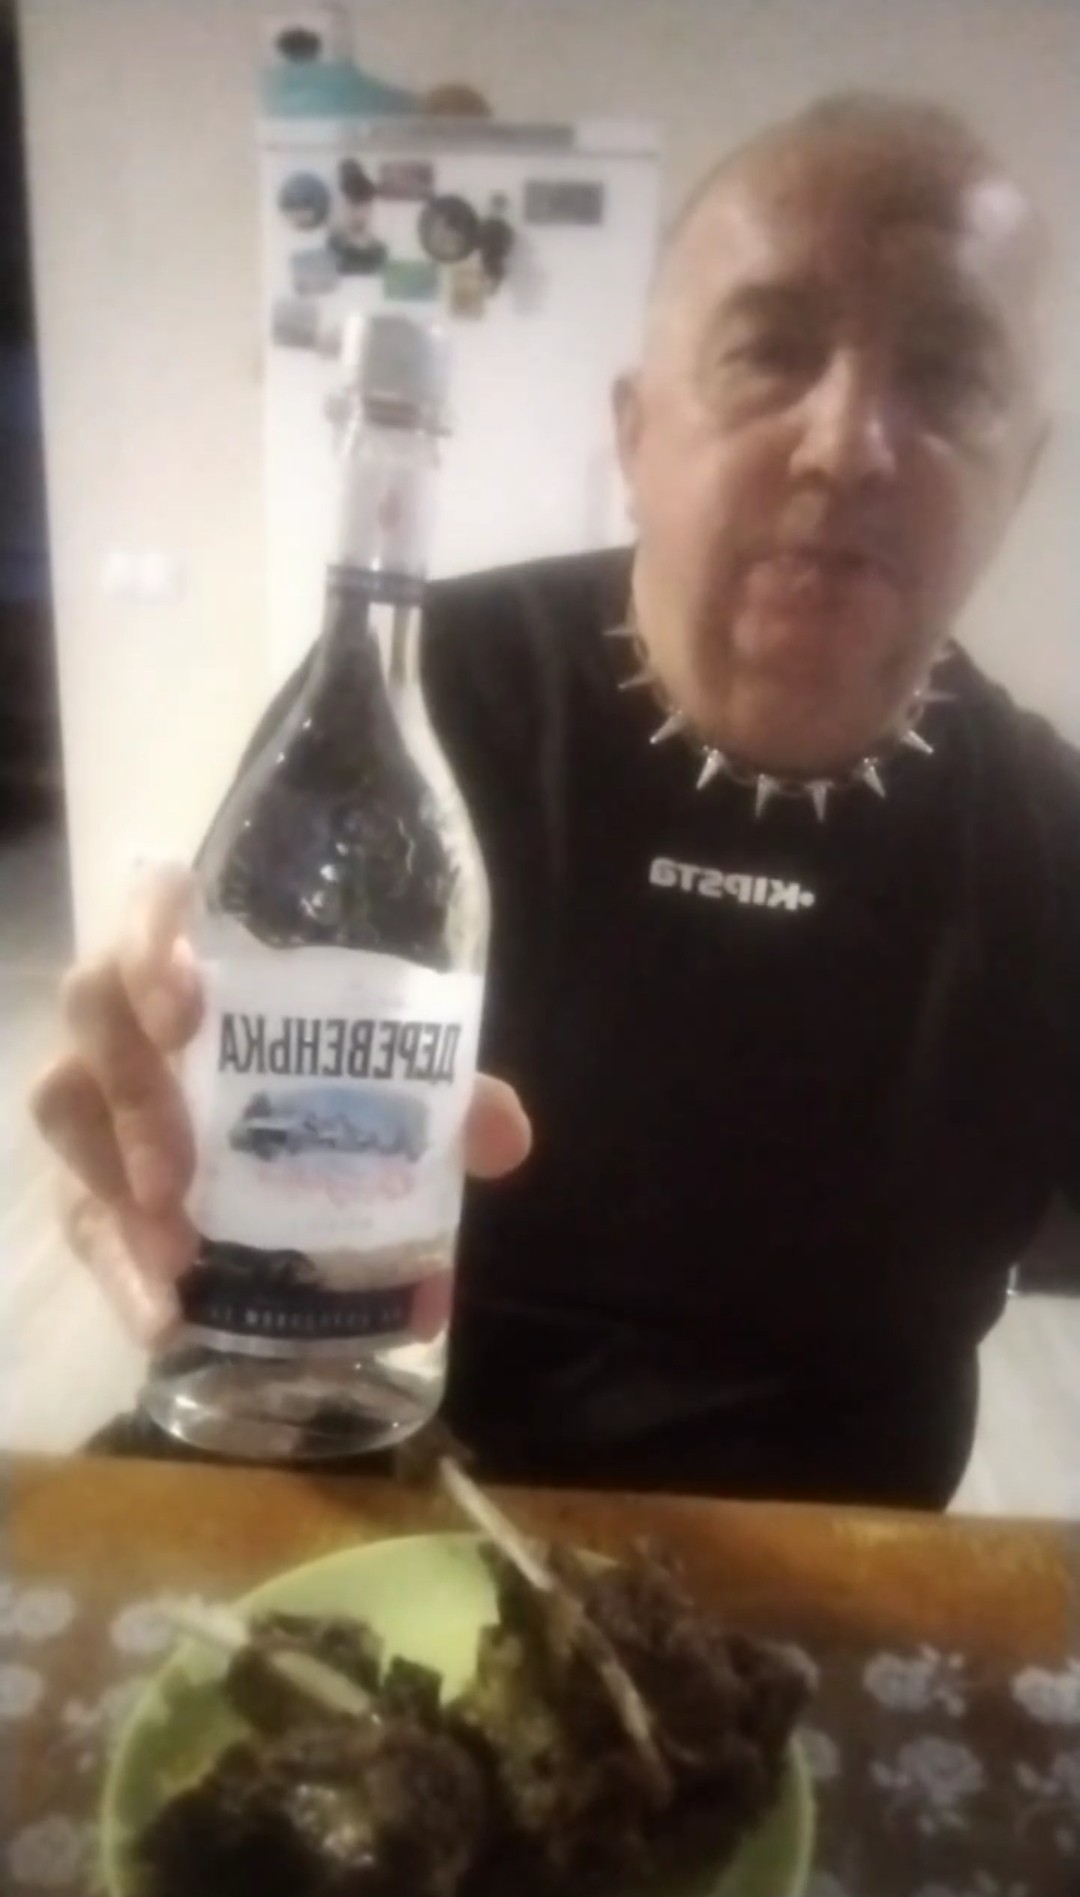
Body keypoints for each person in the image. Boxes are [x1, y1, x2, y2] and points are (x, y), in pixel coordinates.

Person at [31, 92, 1079, 1509]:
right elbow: (217, 1106)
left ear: (1022, 477)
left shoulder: (1050, 842)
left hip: (813, 1574)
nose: (846, 444)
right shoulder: (421, 703)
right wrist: (162, 1118)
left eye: (947, 378)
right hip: (365, 1483)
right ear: (636, 435)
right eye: (770, 352)